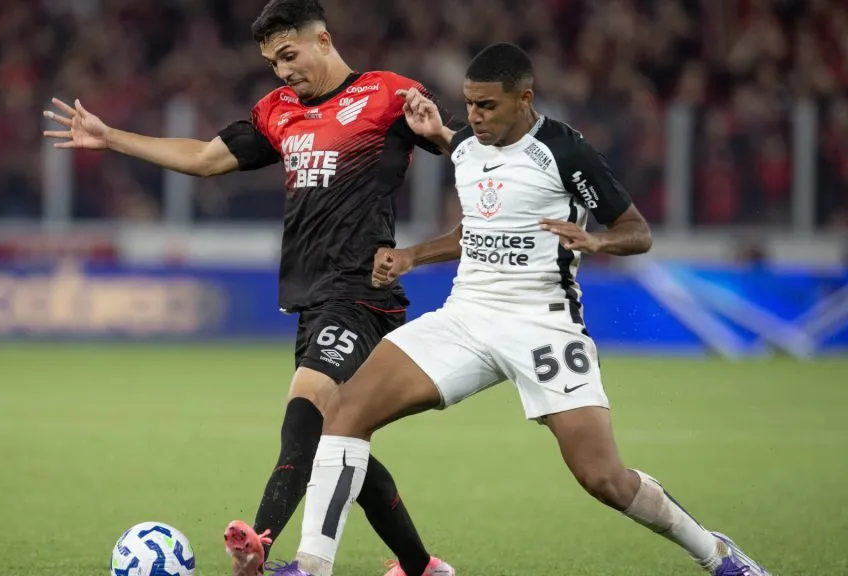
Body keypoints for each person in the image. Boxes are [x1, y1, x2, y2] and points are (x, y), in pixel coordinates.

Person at [260, 43, 771, 576]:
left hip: (543, 325)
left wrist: (594, 243)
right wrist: (413, 255)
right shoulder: (465, 150)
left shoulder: (565, 151)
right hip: (467, 315)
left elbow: (636, 232)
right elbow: (476, 231)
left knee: (603, 478)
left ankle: (715, 554)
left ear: (524, 98)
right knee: (344, 410)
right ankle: (312, 566)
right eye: (470, 104)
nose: (474, 118)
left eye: (487, 106)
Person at [41, 2, 455, 576]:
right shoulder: (277, 111)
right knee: (338, 443)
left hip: (363, 292)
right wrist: (111, 137)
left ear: (323, 40)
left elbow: (459, 149)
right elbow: (208, 158)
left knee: (303, 418)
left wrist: (444, 137)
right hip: (312, 298)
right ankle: (422, 569)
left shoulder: (387, 94)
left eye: (289, 55)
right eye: (272, 61)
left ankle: (259, 545)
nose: (282, 71)